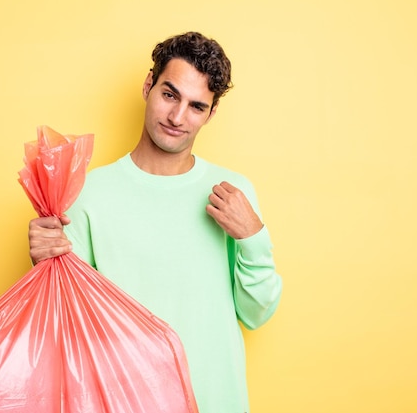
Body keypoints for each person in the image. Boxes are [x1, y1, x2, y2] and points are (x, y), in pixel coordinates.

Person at [28, 31, 282, 413]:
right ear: (148, 86)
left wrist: (253, 237)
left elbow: (256, 313)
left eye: (197, 106)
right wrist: (44, 265)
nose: (178, 117)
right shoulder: (86, 194)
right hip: (123, 402)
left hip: (217, 401)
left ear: (211, 114)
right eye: (169, 95)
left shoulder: (232, 193)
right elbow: (67, 321)